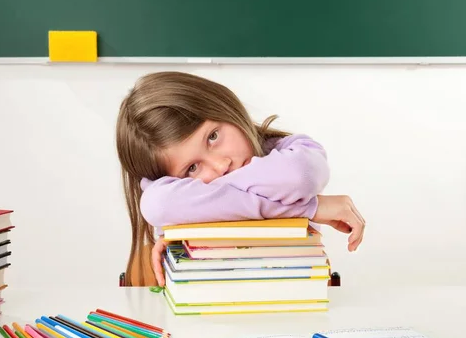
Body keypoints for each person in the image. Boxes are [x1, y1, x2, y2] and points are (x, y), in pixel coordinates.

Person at [116, 71, 365, 286]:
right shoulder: (165, 196)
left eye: (212, 137)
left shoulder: (292, 151)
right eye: (192, 168)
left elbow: (302, 176)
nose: (221, 165)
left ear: (225, 106)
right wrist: (309, 207)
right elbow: (157, 204)